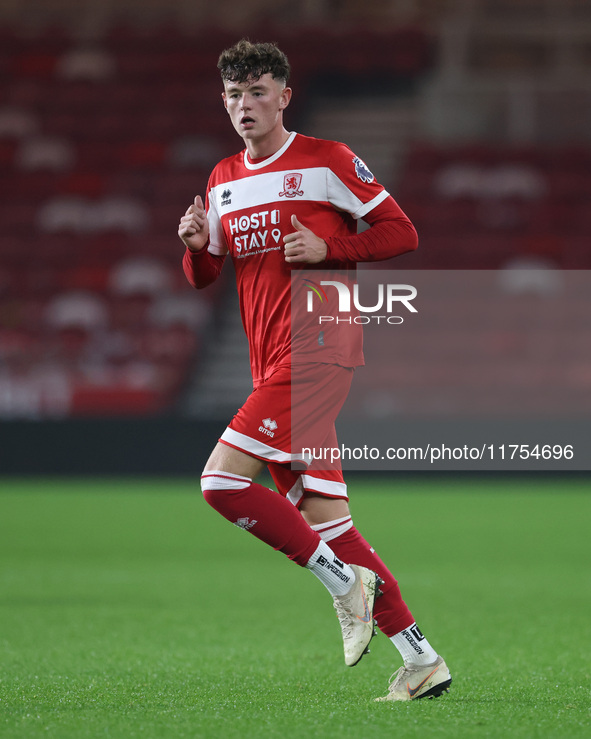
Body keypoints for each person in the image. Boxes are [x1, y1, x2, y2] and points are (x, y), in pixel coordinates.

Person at [178, 39, 451, 702]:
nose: (245, 105)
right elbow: (205, 274)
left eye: (258, 92)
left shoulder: (326, 160)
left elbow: (401, 230)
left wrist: (331, 246)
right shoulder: (222, 178)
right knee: (327, 520)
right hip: (270, 358)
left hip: (320, 345)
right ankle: (420, 660)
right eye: (234, 95)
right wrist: (192, 247)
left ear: (284, 95)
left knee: (219, 481)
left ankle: (340, 584)